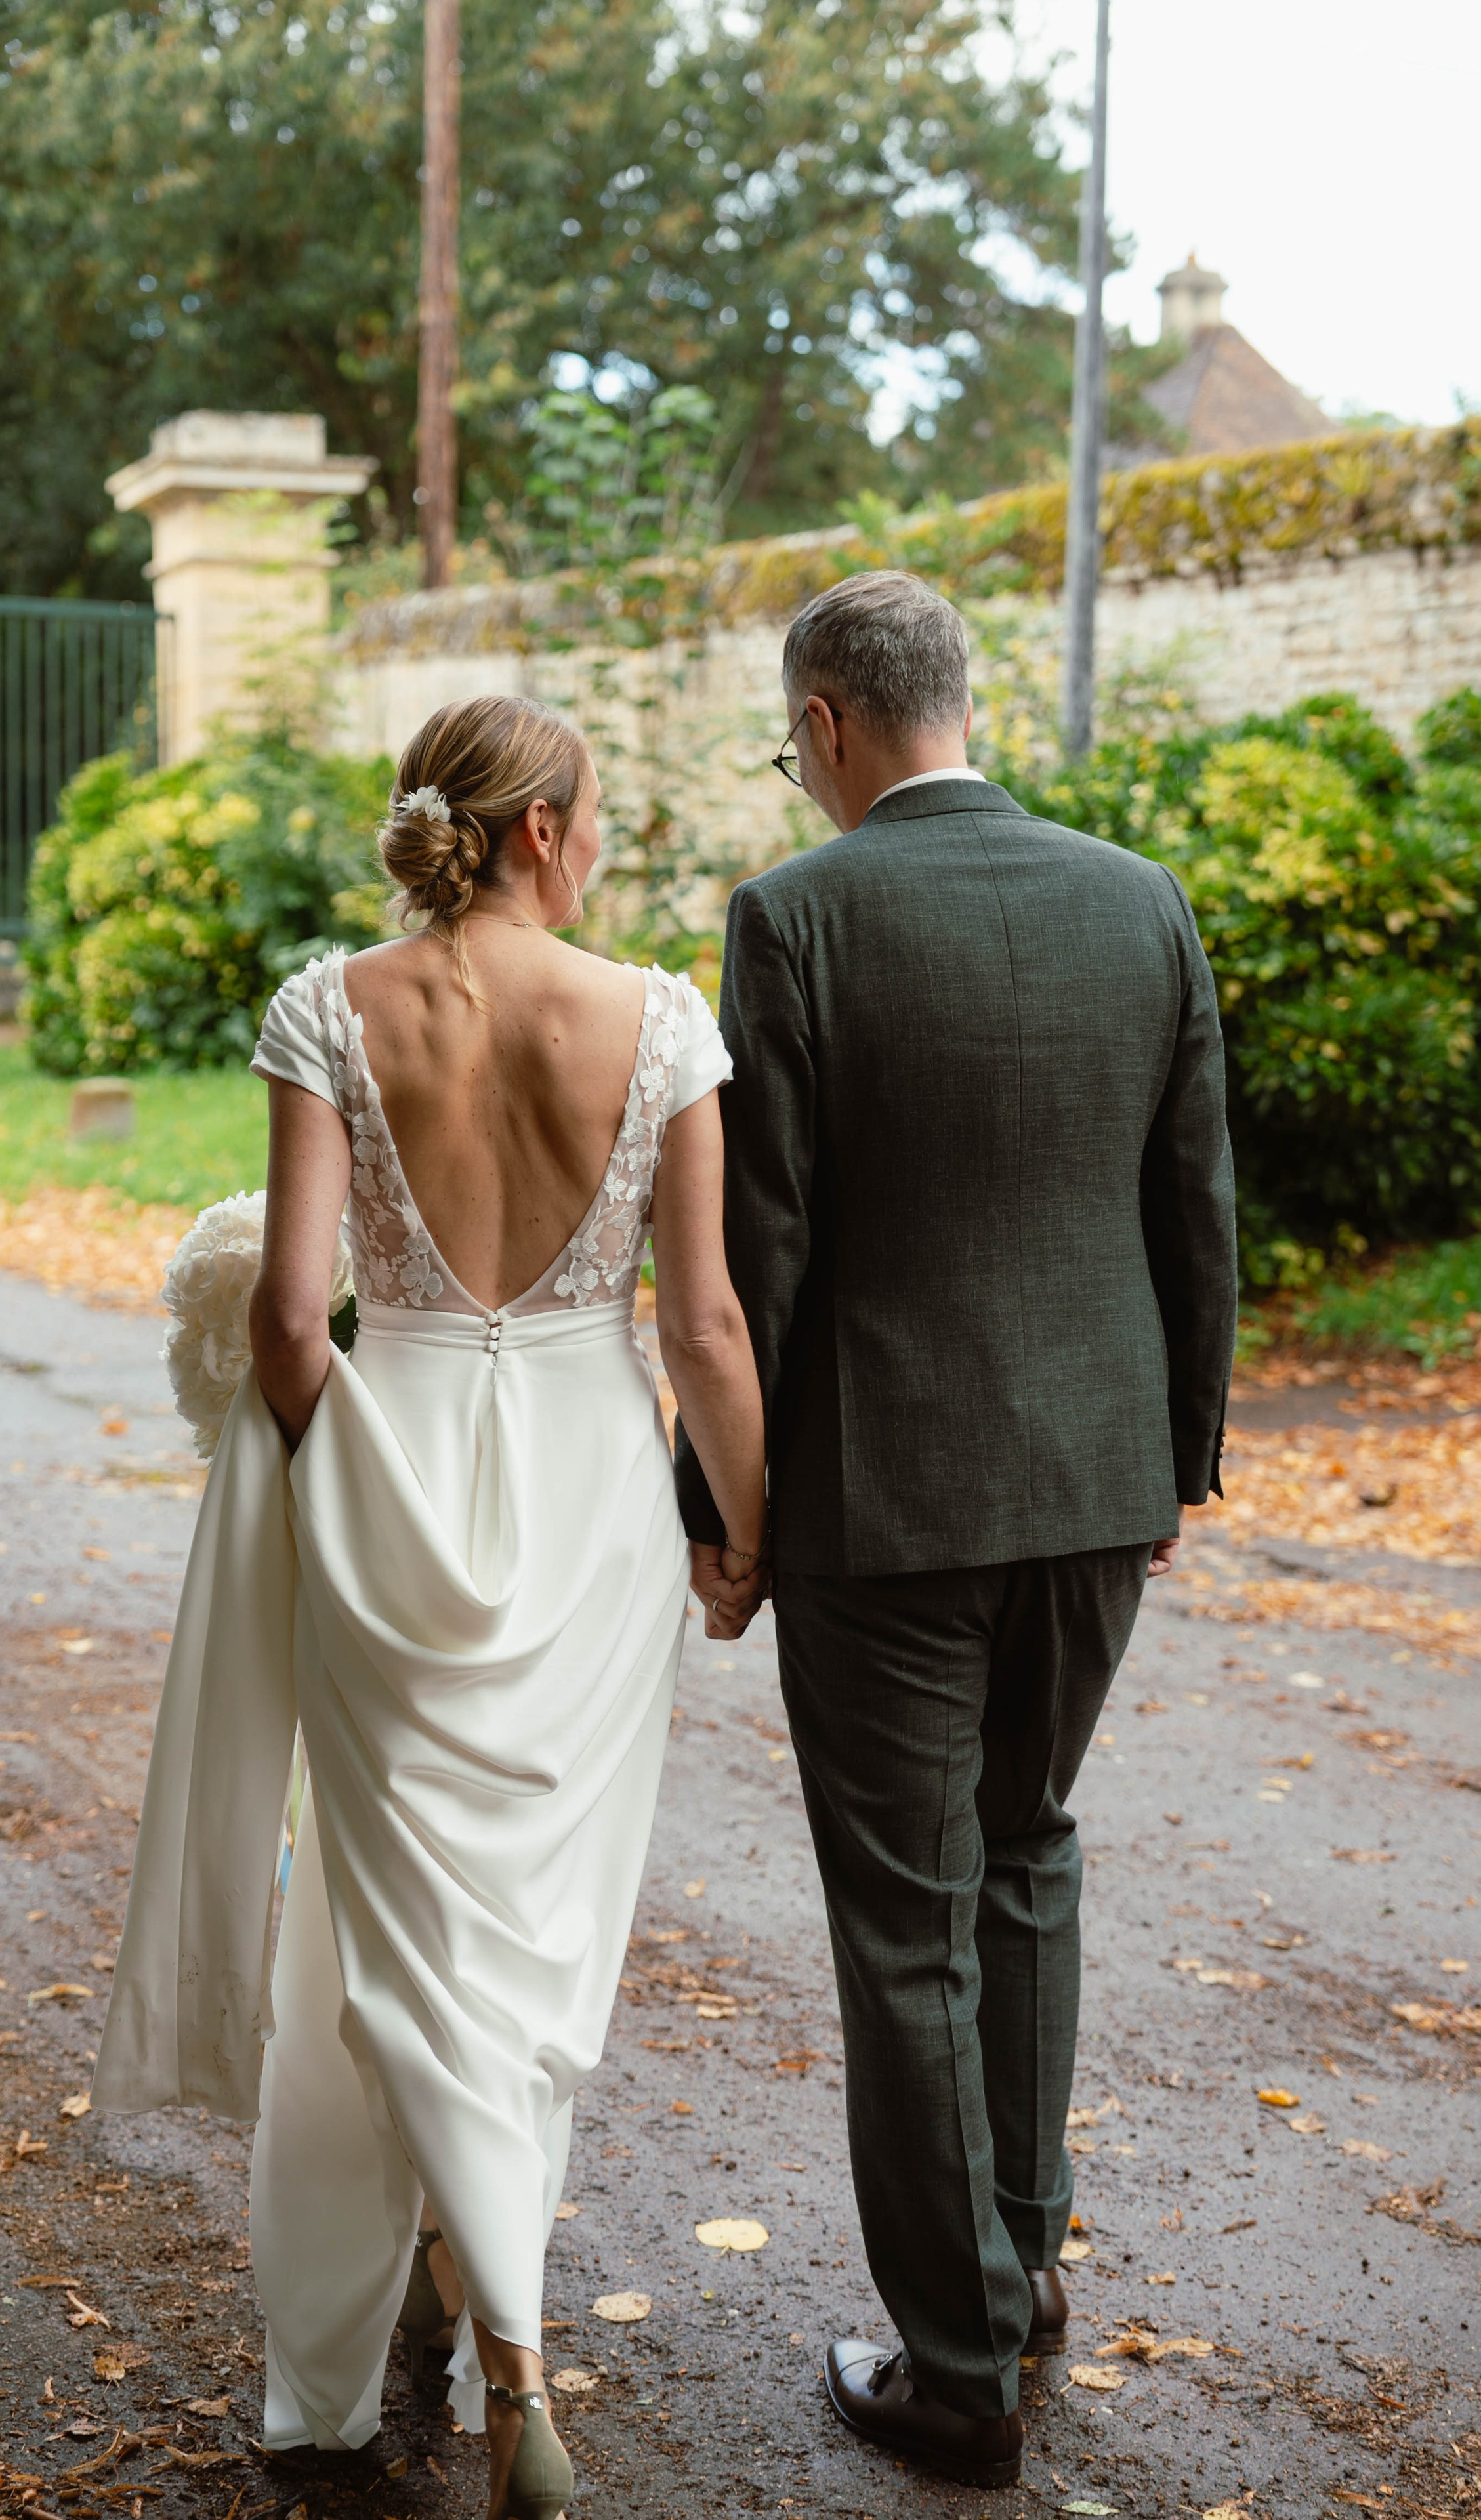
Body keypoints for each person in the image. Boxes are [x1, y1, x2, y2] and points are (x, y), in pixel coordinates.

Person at [94, 695, 767, 2520]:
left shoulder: (334, 1007)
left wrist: (352, 1493)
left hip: (389, 1504)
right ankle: (510, 2358)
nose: (608, 839)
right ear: (543, 827)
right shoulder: (666, 1020)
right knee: (534, 1948)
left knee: (381, 1936)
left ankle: (415, 2349)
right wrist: (745, 1540)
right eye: (601, 811)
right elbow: (703, 1332)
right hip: (588, 1507)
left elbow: (289, 1327)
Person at [676, 572, 1237, 2492]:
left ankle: (956, 2369)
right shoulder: (1141, 901)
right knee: (1029, 1855)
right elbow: (1196, 1205)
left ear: (829, 721)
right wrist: (1179, 1463)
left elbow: (758, 1255)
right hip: (1094, 1487)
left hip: (884, 1507)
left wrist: (722, 1519)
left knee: (907, 1927)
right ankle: (1023, 2270)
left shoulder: (795, 917)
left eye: (789, 741)